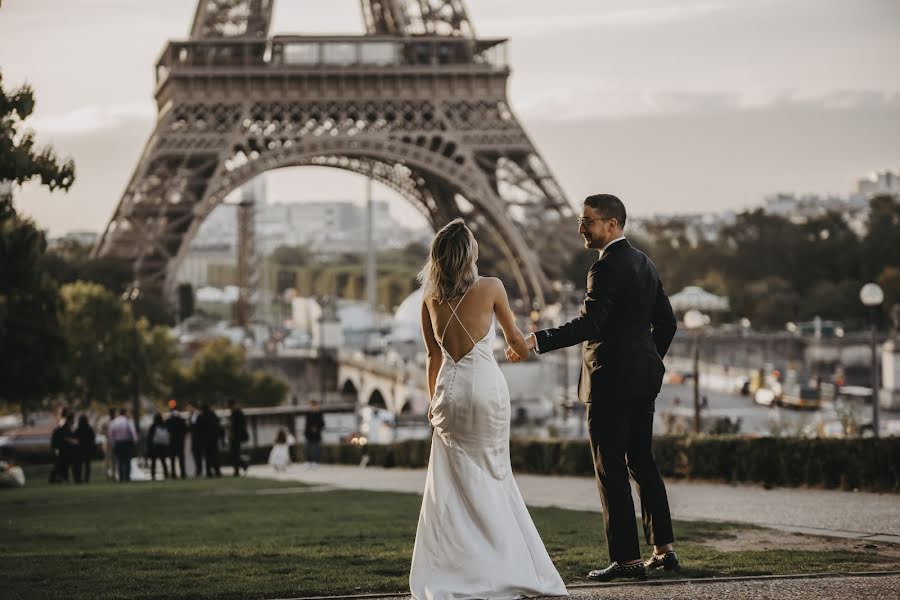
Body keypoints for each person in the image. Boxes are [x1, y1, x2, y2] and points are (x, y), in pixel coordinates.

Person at [512, 194, 679, 581]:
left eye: (588, 221)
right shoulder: (645, 263)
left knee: (610, 469)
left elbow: (591, 325)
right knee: (642, 462)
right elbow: (667, 324)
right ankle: (663, 550)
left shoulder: (603, 269)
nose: (581, 228)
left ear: (613, 225)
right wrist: (648, 361)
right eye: (581, 220)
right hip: (642, 381)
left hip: (608, 382)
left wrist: (536, 340)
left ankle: (627, 560)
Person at [409, 219, 567, 599]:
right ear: (469, 254)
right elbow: (517, 342)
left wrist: (434, 403)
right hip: (486, 388)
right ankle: (503, 562)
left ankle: (457, 568)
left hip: (450, 391)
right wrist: (520, 346)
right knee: (495, 475)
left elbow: (433, 357)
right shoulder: (492, 287)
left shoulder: (428, 299)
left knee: (451, 484)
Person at [108, 408, 138, 482]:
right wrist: (135, 442)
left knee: (120, 461)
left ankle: (121, 478)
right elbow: (133, 432)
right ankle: (127, 477)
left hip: (118, 443)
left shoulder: (114, 422)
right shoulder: (128, 421)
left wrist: (113, 443)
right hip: (127, 443)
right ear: (125, 413)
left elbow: (111, 434)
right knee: (127, 461)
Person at [49, 412, 78, 483]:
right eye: (73, 420)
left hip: (63, 449)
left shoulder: (66, 428)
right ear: (70, 420)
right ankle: (60, 478)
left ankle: (60, 478)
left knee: (62, 464)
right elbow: (65, 438)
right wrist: (73, 441)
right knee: (62, 464)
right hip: (63, 450)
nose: (74, 421)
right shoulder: (65, 428)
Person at [228, 400, 249, 477]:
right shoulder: (235, 413)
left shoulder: (238, 413)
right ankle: (241, 466)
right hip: (234, 437)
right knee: (234, 455)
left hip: (236, 437)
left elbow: (239, 427)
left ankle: (239, 468)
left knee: (235, 454)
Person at [146, 413, 171, 480]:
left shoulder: (153, 426)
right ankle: (166, 474)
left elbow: (149, 437)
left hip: (155, 446)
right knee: (163, 461)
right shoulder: (164, 425)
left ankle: (153, 475)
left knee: (153, 461)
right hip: (163, 446)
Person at [73, 415, 96, 483]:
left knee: (79, 465)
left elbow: (74, 437)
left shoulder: (78, 429)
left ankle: (79, 478)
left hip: (80, 449)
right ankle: (86, 478)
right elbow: (93, 438)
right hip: (88, 449)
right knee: (87, 465)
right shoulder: (89, 429)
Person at [166, 407, 188, 479]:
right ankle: (183, 473)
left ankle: (173, 474)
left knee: (173, 459)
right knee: (181, 458)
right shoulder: (182, 420)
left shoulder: (169, 421)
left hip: (172, 442)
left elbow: (167, 431)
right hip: (180, 442)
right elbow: (185, 430)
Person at [303, 401, 324, 468]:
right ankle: (308, 461)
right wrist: (310, 429)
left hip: (317, 435)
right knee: (307, 449)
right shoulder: (308, 414)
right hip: (309, 434)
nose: (313, 407)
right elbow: (306, 424)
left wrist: (316, 428)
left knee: (316, 449)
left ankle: (316, 462)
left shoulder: (320, 414)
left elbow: (322, 424)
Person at [188, 403, 204, 477]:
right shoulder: (192, 416)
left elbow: (195, 427)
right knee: (196, 454)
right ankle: (198, 470)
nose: (188, 409)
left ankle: (199, 470)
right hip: (195, 439)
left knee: (198, 455)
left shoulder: (198, 415)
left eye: (189, 407)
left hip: (199, 439)